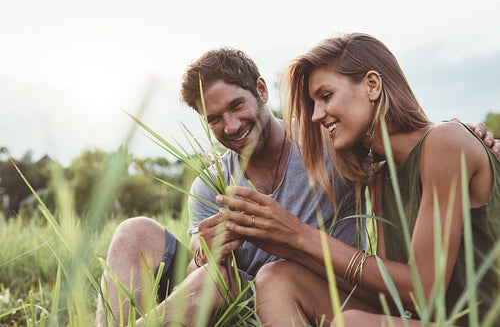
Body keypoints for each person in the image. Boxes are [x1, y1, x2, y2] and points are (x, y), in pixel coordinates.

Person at [215, 33, 500, 326]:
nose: (315, 116)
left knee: (351, 323)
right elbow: (392, 296)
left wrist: (299, 234)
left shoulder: (445, 142)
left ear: (372, 85)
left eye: (326, 96)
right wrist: (287, 246)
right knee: (277, 277)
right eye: (313, 103)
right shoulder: (380, 174)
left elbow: (422, 291)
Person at [95, 48, 362, 327]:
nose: (231, 126)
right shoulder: (209, 185)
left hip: (307, 296)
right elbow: (194, 277)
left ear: (261, 89)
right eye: (215, 119)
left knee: (219, 279)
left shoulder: (330, 145)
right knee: (133, 232)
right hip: (236, 309)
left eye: (236, 106)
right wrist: (203, 253)